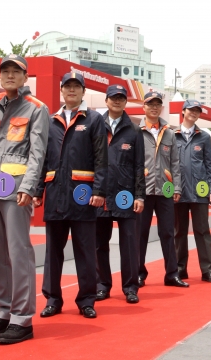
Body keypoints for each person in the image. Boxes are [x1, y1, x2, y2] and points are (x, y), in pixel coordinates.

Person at [0, 55, 49, 344]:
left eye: (15, 71)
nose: (9, 75)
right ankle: (3, 310)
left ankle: (22, 318)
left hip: (17, 188)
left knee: (19, 252)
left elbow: (37, 152)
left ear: (25, 77)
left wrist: (29, 187)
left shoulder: (36, 108)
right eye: (4, 71)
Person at [35, 72, 107, 320]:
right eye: (68, 86)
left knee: (85, 251)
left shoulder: (94, 119)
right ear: (61, 90)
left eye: (77, 87)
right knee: (53, 252)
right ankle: (53, 299)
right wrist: (37, 190)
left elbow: (101, 158)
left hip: (83, 196)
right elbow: (42, 158)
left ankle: (87, 300)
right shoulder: (50, 120)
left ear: (83, 92)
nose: (72, 90)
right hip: (55, 193)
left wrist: (99, 190)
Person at [95, 85, 145, 304]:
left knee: (129, 243)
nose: (117, 101)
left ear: (126, 102)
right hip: (101, 193)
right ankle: (102, 285)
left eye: (121, 98)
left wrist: (140, 196)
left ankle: (130, 287)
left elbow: (139, 166)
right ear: (106, 100)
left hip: (125, 193)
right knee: (99, 243)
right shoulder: (96, 126)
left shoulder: (134, 130)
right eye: (113, 98)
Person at [137, 92, 189, 288]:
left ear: (161, 108)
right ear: (144, 107)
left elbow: (175, 162)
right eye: (150, 104)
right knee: (140, 233)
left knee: (168, 232)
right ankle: (139, 273)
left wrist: (177, 187)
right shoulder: (137, 131)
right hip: (143, 190)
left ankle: (172, 274)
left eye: (158, 104)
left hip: (165, 190)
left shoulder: (169, 132)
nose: (154, 108)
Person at [174, 100, 211, 283]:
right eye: (191, 110)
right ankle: (179, 269)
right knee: (179, 232)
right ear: (183, 112)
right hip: (179, 191)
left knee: (203, 230)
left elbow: (209, 165)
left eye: (197, 111)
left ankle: (207, 270)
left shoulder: (204, 137)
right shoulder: (172, 135)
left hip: (200, 191)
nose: (194, 113)